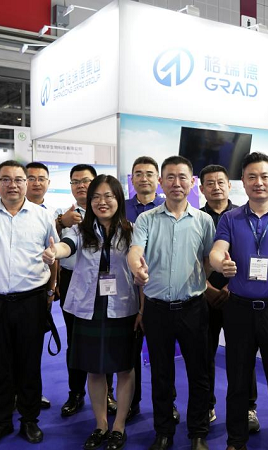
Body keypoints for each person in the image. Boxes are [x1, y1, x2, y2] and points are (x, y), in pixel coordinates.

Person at [209, 152, 268, 450]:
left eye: (264, 176)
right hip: (239, 310)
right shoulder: (231, 218)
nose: (259, 182)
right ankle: (236, 441)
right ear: (243, 181)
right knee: (238, 379)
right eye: (252, 177)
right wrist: (221, 264)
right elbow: (217, 250)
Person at [0, 160, 59, 446]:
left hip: (31, 301)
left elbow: (53, 253)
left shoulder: (42, 216)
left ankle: (29, 420)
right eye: (5, 179)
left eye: (18, 179)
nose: (12, 185)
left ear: (26, 183)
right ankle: (2, 420)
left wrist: (51, 289)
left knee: (30, 363)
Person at [43, 174, 138, 450]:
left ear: (119, 199)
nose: (101, 202)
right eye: (96, 197)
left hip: (123, 307)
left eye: (108, 196)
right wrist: (55, 252)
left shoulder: (131, 230)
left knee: (124, 367)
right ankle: (101, 424)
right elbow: (67, 246)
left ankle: (119, 426)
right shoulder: (80, 230)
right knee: (94, 369)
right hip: (89, 308)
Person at [129, 156, 215, 450]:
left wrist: (204, 278)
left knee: (199, 374)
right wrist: (137, 268)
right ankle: (163, 431)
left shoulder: (203, 220)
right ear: (161, 182)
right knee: (161, 373)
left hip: (194, 308)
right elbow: (135, 250)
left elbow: (207, 260)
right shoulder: (147, 219)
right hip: (157, 309)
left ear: (192, 182)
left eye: (182, 177)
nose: (176, 183)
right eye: (170, 177)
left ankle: (198, 433)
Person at [199, 165, 261, 431]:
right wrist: (207, 289)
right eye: (210, 183)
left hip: (238, 296)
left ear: (230, 185)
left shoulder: (243, 216)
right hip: (202, 297)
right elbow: (190, 260)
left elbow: (254, 256)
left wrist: (231, 287)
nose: (216, 187)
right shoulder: (195, 218)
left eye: (220, 182)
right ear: (201, 188)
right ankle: (206, 404)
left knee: (243, 355)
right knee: (204, 355)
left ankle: (248, 408)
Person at [123, 156, 170, 421]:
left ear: (158, 179)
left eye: (149, 173)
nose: (144, 178)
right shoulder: (121, 208)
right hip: (125, 289)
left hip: (158, 291)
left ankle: (167, 405)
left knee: (161, 356)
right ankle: (131, 402)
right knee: (129, 352)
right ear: (132, 179)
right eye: (138, 174)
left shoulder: (167, 207)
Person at [54, 164, 99, 418]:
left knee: (103, 337)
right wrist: (62, 222)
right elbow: (54, 241)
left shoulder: (107, 209)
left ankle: (107, 393)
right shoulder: (62, 213)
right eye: (75, 181)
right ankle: (76, 392)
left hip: (103, 281)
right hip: (71, 279)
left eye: (86, 180)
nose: (81, 185)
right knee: (75, 340)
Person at [25, 162, 56, 410]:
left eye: (41, 178)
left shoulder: (50, 214)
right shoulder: (0, 211)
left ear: (48, 183)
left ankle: (31, 396)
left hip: (37, 291)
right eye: (31, 178)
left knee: (32, 348)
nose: (37, 183)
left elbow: (54, 253)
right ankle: (10, 398)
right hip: (5, 293)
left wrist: (51, 288)